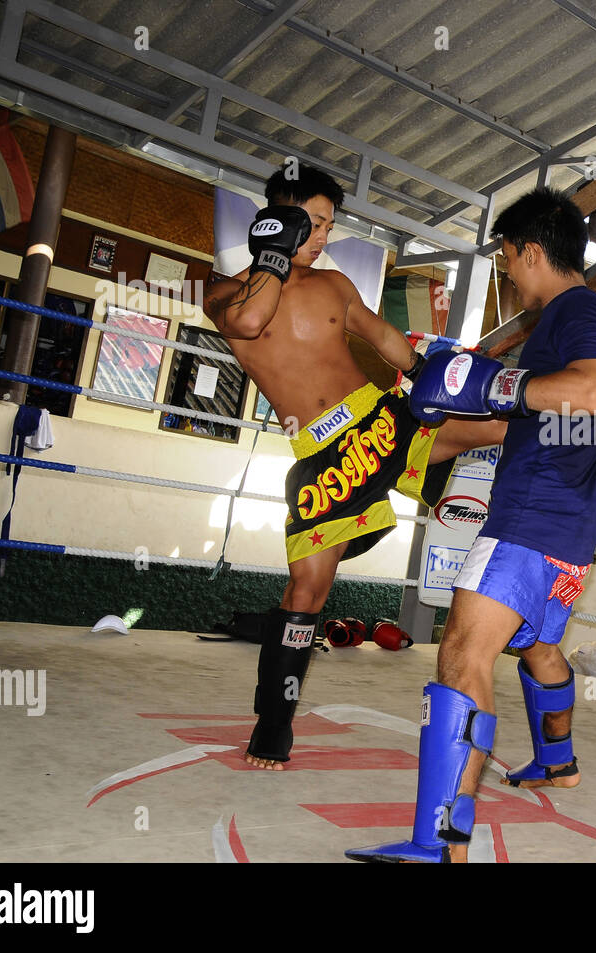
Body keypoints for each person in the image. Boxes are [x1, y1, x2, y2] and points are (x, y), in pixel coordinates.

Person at [344, 187, 596, 863]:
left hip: (528, 522)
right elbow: (512, 419)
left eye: (507, 264)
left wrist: (492, 382)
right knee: (538, 649)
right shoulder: (562, 324)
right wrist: (417, 430)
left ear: (528, 250)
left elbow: (589, 393)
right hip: (567, 535)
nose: (509, 277)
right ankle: (558, 763)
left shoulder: (576, 311)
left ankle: (442, 844)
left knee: (463, 656)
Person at [203, 164, 510, 770]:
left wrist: (441, 375)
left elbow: (390, 341)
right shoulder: (224, 291)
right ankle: (274, 720)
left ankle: (593, 449)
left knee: (502, 423)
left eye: (328, 226)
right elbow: (247, 323)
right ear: (279, 219)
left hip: (381, 421)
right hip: (323, 458)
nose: (321, 237)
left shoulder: (336, 284)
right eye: (311, 223)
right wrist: (273, 254)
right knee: (305, 593)